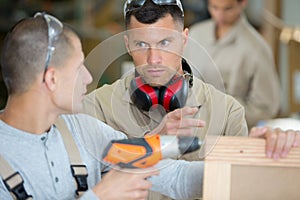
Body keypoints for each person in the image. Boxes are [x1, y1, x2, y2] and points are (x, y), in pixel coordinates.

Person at [82, 1, 300, 199]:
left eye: (165, 42)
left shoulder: (228, 112)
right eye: (141, 44)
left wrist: (261, 155)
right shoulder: (95, 108)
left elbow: (240, 191)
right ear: (128, 44)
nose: (154, 59)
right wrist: (151, 143)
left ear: (184, 39)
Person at [0, 12, 204, 200]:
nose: (88, 78)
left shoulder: (85, 131)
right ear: (52, 79)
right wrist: (101, 195)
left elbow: (176, 177)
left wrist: (229, 170)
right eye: (78, 67)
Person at [184, 0, 281, 128]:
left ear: (243, 3)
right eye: (214, 7)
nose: (219, 15)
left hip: (231, 131)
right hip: (189, 126)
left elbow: (265, 109)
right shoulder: (195, 34)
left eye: (227, 9)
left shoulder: (257, 48)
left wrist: (226, 113)